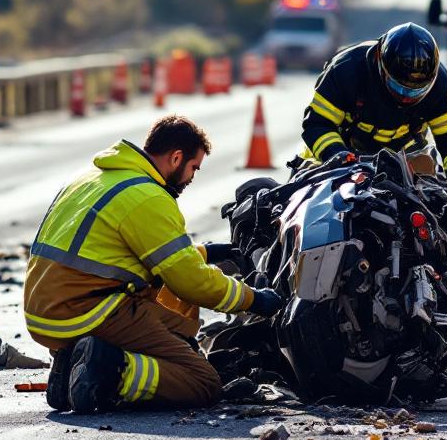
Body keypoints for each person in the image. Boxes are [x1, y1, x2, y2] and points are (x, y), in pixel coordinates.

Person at [23, 116, 283, 414]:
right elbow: (189, 280)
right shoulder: (148, 197)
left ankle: (72, 364)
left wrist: (206, 253)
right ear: (176, 158)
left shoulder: (97, 177)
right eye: (194, 168)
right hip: (89, 312)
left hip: (47, 309)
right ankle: (107, 370)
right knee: (202, 381)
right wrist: (253, 299)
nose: (192, 177)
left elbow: (125, 253)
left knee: (175, 315)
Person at [298, 22, 447, 206]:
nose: (406, 97)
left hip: (403, 167)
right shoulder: (346, 70)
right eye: (399, 87)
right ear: (381, 65)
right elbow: (317, 124)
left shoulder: (440, 84)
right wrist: (337, 155)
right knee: (309, 211)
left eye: (416, 91)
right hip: (334, 161)